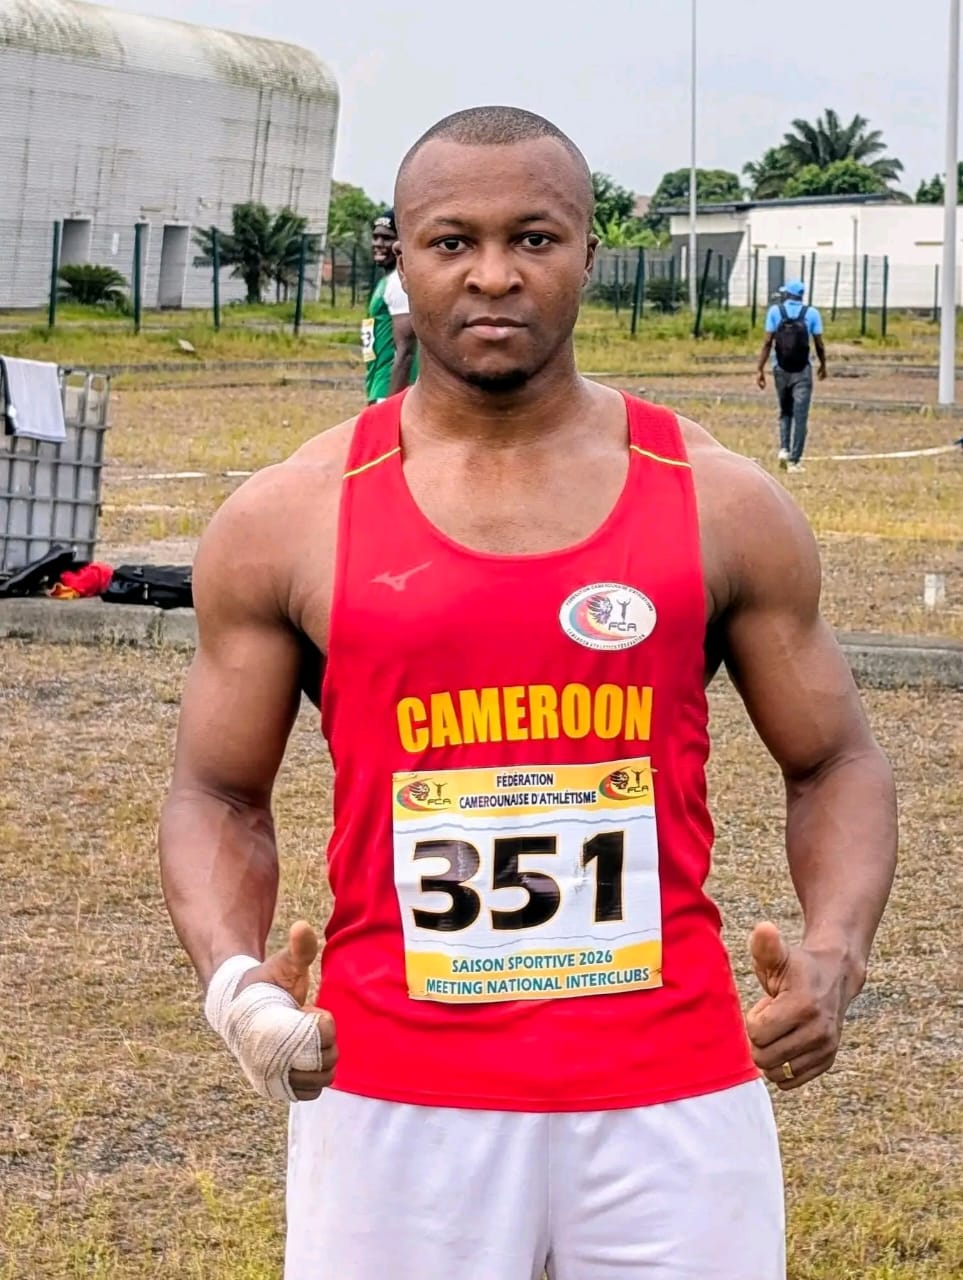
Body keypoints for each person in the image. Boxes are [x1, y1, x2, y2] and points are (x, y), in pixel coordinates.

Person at [159, 107, 897, 1280]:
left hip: (673, 1095)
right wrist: (235, 981)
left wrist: (836, 953)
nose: (494, 274)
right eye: (451, 241)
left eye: (535, 238)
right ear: (394, 259)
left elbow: (836, 761)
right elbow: (215, 790)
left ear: (591, 254)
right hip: (393, 1093)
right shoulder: (290, 514)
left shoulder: (717, 498)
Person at [756, 279, 827, 472]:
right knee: (801, 416)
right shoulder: (811, 313)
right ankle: (794, 461)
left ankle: (784, 449)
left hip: (780, 368)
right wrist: (823, 365)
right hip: (802, 370)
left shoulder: (775, 312)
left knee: (785, 411)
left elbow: (767, 342)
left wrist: (760, 369)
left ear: (787, 294)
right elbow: (819, 343)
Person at [362, 208, 417, 403]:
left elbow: (406, 350)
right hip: (378, 385)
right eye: (375, 237)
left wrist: (391, 407)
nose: (378, 244)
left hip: (388, 390)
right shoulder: (388, 280)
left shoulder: (398, 282)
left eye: (386, 238)